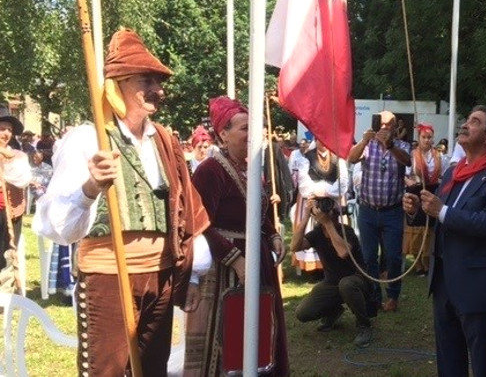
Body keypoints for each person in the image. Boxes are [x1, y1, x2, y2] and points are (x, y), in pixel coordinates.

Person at [33, 29, 211, 375]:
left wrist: (190, 277)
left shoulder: (165, 141)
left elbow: (186, 211)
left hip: (160, 277)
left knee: (153, 369)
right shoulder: (90, 138)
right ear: (119, 84)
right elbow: (56, 225)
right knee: (107, 370)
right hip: (108, 277)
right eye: (147, 80)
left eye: (159, 82)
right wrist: (90, 186)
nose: (158, 91)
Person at [402, 105, 486, 377]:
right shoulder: (453, 172)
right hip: (443, 279)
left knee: (480, 362)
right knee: (448, 359)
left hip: (476, 283)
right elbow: (441, 216)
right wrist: (415, 211)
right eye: (467, 119)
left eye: (474, 122)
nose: (465, 125)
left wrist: (441, 210)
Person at [183, 96, 288, 376]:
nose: (252, 135)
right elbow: (199, 221)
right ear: (223, 134)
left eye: (255, 128)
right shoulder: (210, 171)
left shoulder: (252, 170)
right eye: (244, 129)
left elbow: (259, 211)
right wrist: (236, 260)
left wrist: (272, 234)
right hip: (226, 268)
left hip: (259, 260)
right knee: (229, 339)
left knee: (261, 335)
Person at [347, 110, 411, 313]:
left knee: (393, 256)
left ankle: (392, 296)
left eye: (388, 124)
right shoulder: (368, 144)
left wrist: (390, 145)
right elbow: (351, 158)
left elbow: (407, 162)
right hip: (367, 210)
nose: (384, 128)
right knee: (368, 257)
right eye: (381, 124)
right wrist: (364, 141)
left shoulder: (401, 145)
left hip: (392, 211)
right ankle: (374, 296)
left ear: (394, 126)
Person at [292, 197, 374, 347]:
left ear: (335, 214)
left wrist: (328, 223)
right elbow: (294, 246)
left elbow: (342, 252)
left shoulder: (346, 231)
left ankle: (364, 326)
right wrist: (305, 216)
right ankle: (333, 311)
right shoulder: (317, 233)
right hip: (332, 283)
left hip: (357, 280)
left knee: (346, 284)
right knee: (302, 313)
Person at [292, 139, 349, 274]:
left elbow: (344, 182)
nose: (323, 143)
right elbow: (304, 182)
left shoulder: (338, 157)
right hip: (311, 199)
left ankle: (336, 260)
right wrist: (316, 192)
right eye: (320, 140)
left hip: (334, 200)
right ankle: (313, 269)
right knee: (312, 232)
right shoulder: (306, 157)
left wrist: (327, 191)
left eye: (325, 139)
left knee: (335, 229)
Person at [403, 123, 445, 276]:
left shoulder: (439, 155)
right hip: (416, 191)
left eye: (429, 137)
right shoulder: (412, 154)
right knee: (417, 227)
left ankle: (428, 262)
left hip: (433, 191)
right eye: (424, 137)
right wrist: (410, 182)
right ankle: (418, 262)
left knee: (431, 227)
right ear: (419, 138)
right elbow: (405, 174)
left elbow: (443, 175)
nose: (427, 140)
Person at [0, 106, 32, 294]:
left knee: (7, 253)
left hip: (11, 213)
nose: (6, 134)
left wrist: (7, 159)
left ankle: (4, 292)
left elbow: (23, 179)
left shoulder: (18, 156)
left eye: (9, 130)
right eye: (2, 128)